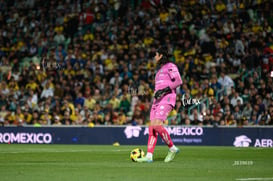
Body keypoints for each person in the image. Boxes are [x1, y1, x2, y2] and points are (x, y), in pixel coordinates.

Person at [136, 46, 182, 163]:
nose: (154, 57)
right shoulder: (158, 71)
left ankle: (172, 148)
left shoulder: (171, 66)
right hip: (157, 101)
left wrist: (164, 90)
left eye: (156, 55)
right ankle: (149, 156)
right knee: (152, 128)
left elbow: (178, 81)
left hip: (167, 98)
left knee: (157, 125)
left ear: (161, 55)